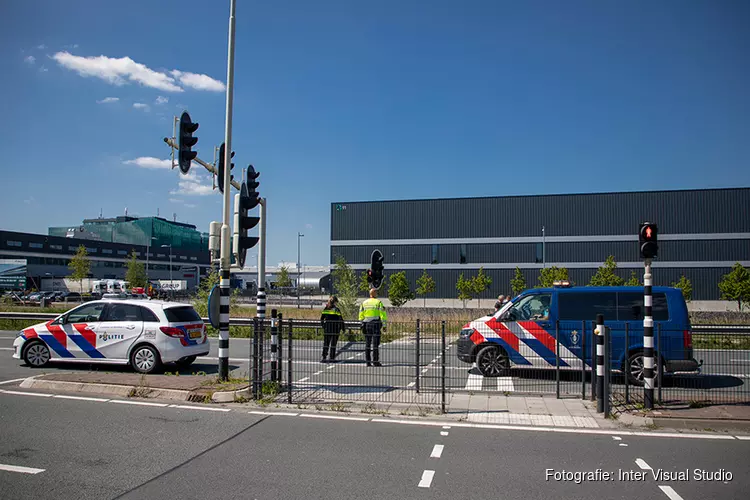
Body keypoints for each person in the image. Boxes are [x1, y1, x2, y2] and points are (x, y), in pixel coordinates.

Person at [358, 288, 388, 367]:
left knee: (367, 343)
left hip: (366, 324)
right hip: (376, 324)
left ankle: (368, 362)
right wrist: (384, 325)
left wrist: (362, 324)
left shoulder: (364, 303)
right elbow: (383, 315)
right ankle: (375, 361)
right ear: (374, 294)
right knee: (375, 344)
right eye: (376, 293)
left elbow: (360, 315)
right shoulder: (378, 302)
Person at [320, 296, 344, 363]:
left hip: (327, 329)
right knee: (333, 344)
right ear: (335, 302)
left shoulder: (326, 309)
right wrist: (343, 328)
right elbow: (341, 319)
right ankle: (332, 358)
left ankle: (324, 357)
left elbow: (321, 319)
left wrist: (324, 326)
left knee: (326, 344)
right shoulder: (336, 310)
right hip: (335, 329)